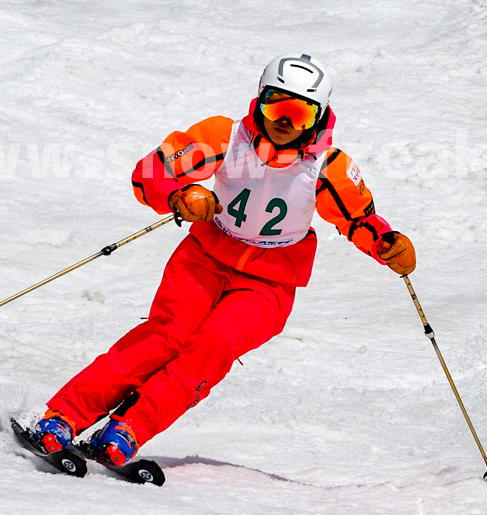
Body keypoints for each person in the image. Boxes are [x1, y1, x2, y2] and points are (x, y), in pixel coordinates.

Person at [28, 54, 416, 467]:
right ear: (259, 99)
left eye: (300, 113)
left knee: (212, 347)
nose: (284, 121)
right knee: (166, 335)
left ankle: (129, 429)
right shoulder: (223, 137)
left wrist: (388, 245)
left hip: (270, 282)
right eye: (276, 105)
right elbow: (151, 172)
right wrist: (181, 196)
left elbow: (359, 218)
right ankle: (64, 415)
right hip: (205, 257)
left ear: (319, 118)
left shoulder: (329, 167)